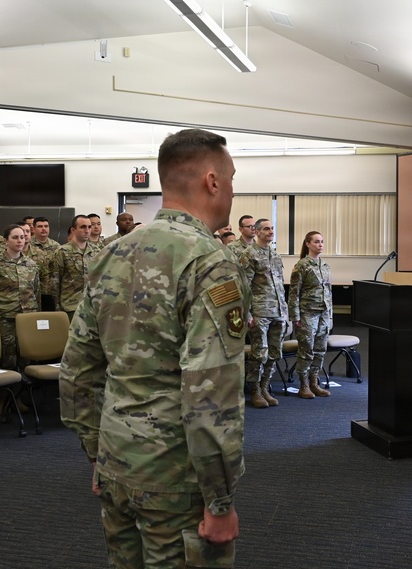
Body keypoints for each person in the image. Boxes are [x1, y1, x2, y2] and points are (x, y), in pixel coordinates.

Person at [60, 128, 248, 568]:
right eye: (232, 178)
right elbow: (210, 395)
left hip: (116, 462)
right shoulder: (208, 262)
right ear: (212, 181)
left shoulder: (112, 253)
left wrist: (97, 450)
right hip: (176, 479)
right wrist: (219, 502)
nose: (233, 190)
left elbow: (76, 371)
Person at [238, 218, 288, 409]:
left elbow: (280, 286)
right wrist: (248, 314)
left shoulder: (275, 255)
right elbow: (244, 287)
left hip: (277, 311)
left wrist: (284, 311)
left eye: (272, 228)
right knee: (260, 354)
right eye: (266, 229)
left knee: (275, 353)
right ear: (256, 231)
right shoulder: (248, 255)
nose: (270, 231)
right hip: (259, 311)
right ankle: (255, 391)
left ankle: (265, 386)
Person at [0, 224, 40, 372]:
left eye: (23, 237)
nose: (20, 241)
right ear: (6, 240)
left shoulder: (31, 264)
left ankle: (25, 391)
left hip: (27, 317)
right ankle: (6, 392)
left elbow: (36, 292)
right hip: (4, 317)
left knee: (27, 355)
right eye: (15, 237)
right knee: (7, 358)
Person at [288, 231, 333, 399]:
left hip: (323, 313)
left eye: (322, 241)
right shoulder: (302, 265)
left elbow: (329, 293)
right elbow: (294, 293)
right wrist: (295, 317)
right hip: (307, 313)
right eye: (316, 242)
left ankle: (314, 382)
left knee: (320, 349)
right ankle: (304, 384)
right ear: (308, 244)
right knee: (306, 349)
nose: (320, 244)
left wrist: (330, 315)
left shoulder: (325, 266)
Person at [52, 215, 94, 320]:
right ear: (73, 230)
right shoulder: (62, 252)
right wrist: (58, 310)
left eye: (89, 227)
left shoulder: (96, 252)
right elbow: (54, 284)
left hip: (92, 306)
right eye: (83, 227)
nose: (87, 230)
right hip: (70, 307)